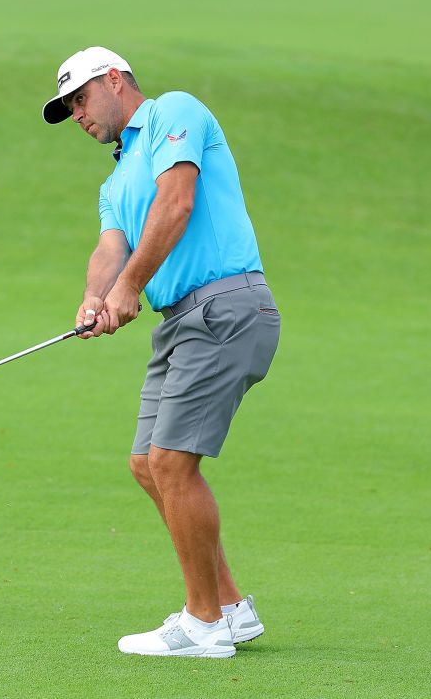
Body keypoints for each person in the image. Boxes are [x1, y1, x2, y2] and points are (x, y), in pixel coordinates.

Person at [41, 47, 280, 657]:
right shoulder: (117, 177)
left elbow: (178, 203)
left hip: (224, 305)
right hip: (180, 321)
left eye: (80, 99)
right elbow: (110, 247)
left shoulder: (175, 112)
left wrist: (129, 288)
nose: (76, 115)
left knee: (173, 463)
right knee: (148, 465)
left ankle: (202, 626)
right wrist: (96, 297)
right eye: (68, 107)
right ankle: (228, 607)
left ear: (114, 81)